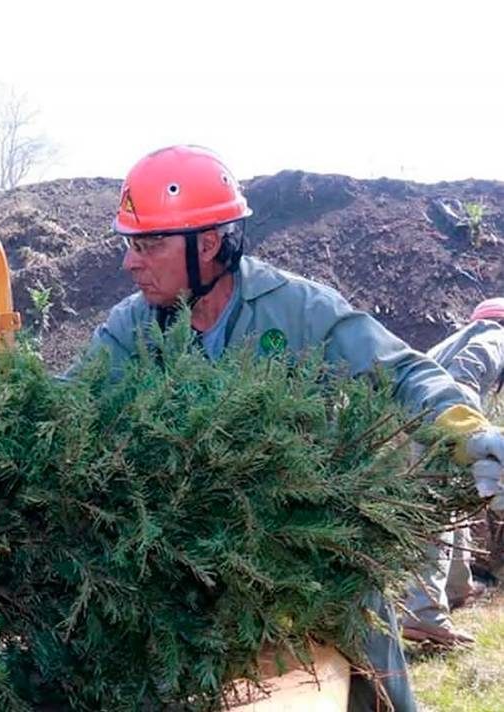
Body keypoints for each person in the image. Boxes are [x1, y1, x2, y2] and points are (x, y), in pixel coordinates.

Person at [66, 145, 504, 712]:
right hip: (190, 572)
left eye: (148, 244)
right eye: (130, 243)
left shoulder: (297, 309)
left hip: (316, 561)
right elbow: (66, 400)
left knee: (376, 687)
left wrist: (467, 432)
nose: (130, 261)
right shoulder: (133, 327)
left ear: (208, 244)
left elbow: (402, 372)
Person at [402, 298, 504, 646]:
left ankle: (457, 588)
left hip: (417, 424)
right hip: (444, 425)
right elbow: (465, 373)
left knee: (450, 509)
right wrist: (474, 432)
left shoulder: (448, 344)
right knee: (438, 517)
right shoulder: (495, 335)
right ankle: (424, 616)